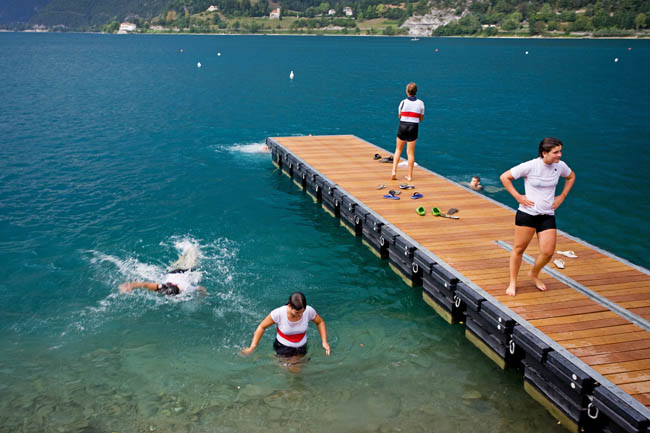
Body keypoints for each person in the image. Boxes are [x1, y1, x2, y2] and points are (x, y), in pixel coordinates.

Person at [500, 137, 576, 296]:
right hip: (527, 214)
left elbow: (571, 177)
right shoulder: (530, 166)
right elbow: (505, 177)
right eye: (556, 152)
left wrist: (562, 196)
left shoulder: (560, 166)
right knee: (519, 249)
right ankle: (513, 282)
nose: (560, 155)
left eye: (560, 151)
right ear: (544, 153)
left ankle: (534, 274)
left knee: (548, 252)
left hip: (547, 214)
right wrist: (518, 196)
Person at [241, 292, 330, 366]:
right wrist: (252, 347)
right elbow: (262, 327)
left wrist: (324, 341)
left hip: (302, 347)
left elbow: (320, 322)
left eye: (302, 311)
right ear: (290, 306)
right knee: (292, 371)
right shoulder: (278, 313)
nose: (300, 315)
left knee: (299, 369)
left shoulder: (309, 311)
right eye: (297, 312)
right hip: (283, 347)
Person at [391, 82, 425, 182]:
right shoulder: (421, 103)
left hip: (403, 125)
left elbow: (399, 116)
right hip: (413, 126)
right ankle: (409, 176)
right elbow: (421, 118)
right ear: (416, 91)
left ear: (407, 91)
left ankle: (394, 171)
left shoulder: (403, 102)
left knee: (398, 150)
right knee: (410, 153)